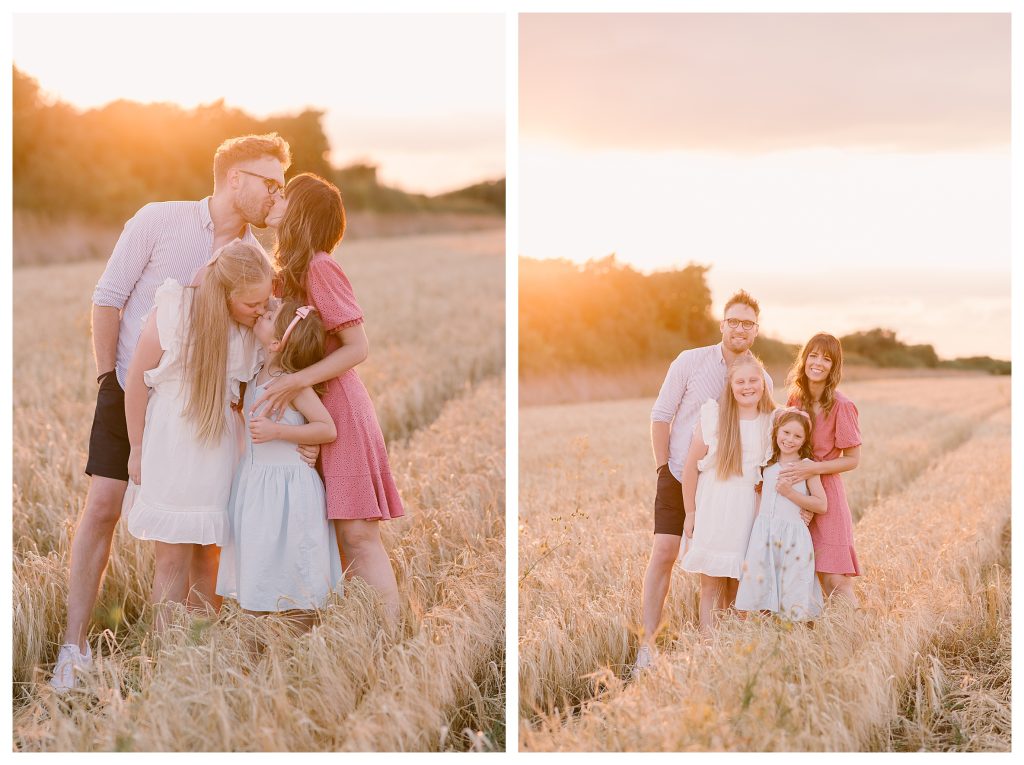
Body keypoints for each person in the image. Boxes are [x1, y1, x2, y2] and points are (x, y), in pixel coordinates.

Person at [51, 133, 293, 691]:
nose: (275, 195)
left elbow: (257, 338)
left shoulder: (259, 258)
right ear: (235, 178)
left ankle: (189, 659)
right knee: (105, 504)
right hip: (134, 386)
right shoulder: (158, 220)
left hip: (202, 410)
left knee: (205, 534)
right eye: (269, 182)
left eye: (281, 186)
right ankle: (74, 646)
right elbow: (108, 298)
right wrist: (109, 381)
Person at [253, 173, 404, 622]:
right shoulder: (286, 275)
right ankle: (357, 630)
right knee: (336, 535)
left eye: (285, 195)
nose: (274, 199)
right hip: (312, 412)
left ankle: (391, 639)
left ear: (301, 211)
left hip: (341, 410)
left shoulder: (320, 266)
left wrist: (297, 382)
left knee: (357, 534)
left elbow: (358, 347)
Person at [123, 241, 273, 633]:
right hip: (171, 447)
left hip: (219, 452)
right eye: (252, 304)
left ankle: (202, 656)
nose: (260, 310)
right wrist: (136, 448)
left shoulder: (247, 334)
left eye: (265, 302)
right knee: (171, 563)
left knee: (209, 560)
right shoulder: (173, 309)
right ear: (225, 294)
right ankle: (166, 656)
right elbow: (136, 384)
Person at [633, 291, 772, 673]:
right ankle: (648, 646)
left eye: (747, 323)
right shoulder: (690, 361)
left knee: (724, 569)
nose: (739, 328)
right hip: (679, 472)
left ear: (755, 331)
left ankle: (718, 650)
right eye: (733, 321)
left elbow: (768, 427)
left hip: (726, 490)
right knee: (663, 552)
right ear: (722, 324)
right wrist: (664, 468)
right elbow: (661, 415)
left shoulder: (761, 378)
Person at [216, 299, 344, 621]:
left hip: (291, 491)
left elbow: (326, 428)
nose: (263, 312)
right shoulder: (255, 373)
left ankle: (297, 646)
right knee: (257, 570)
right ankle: (259, 646)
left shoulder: (290, 383)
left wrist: (278, 432)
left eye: (270, 315)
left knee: (297, 576)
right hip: (257, 487)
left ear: (275, 343)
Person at [680, 353, 775, 634]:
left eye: (753, 380)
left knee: (739, 584)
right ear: (731, 386)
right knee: (710, 585)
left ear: (763, 383)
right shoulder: (715, 416)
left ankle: (733, 647)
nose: (747, 386)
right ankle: (708, 645)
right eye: (740, 381)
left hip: (749, 510)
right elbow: (689, 470)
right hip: (714, 506)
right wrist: (690, 513)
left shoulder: (772, 420)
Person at [784, 333, 862, 605]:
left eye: (826, 359)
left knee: (834, 578)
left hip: (827, 494)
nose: (817, 363)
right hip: (795, 490)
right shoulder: (795, 400)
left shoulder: (842, 405)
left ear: (833, 367)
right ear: (804, 359)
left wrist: (813, 469)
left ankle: (852, 634)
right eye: (813, 355)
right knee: (802, 571)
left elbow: (852, 458)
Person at [735, 407, 827, 621]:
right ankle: (765, 633)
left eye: (797, 436)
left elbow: (821, 504)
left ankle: (794, 638)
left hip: (793, 538)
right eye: (786, 432)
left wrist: (790, 493)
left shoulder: (806, 467)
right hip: (765, 534)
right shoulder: (767, 465)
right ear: (776, 432)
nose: (790, 439)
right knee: (763, 586)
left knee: (792, 589)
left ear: (804, 441)